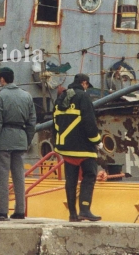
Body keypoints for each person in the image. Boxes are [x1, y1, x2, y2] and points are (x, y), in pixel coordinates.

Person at [0, 67, 36, 220]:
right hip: (20, 138)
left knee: (2, 176)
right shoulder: (26, 96)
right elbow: (32, 122)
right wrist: (27, 140)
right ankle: (20, 210)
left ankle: (2, 210)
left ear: (2, 79)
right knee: (19, 176)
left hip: (4, 139)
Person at [53, 73, 102, 222]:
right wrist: (97, 140)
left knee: (71, 180)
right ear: (85, 83)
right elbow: (89, 122)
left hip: (66, 148)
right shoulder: (84, 97)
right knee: (89, 176)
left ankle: (73, 214)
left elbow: (55, 121)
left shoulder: (61, 97)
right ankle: (85, 209)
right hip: (84, 148)